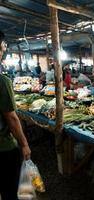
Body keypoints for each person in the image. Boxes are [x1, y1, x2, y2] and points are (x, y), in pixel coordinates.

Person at [0, 30, 31, 200]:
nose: (3, 53)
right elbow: (11, 118)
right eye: (3, 49)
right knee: (10, 191)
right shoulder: (2, 82)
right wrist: (24, 144)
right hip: (3, 148)